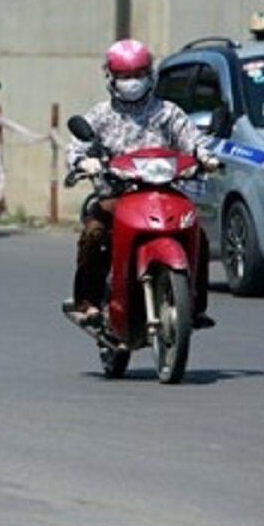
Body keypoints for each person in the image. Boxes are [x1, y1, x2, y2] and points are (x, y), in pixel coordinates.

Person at [67, 39, 219, 329]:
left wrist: (205, 157)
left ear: (150, 75)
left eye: (137, 75)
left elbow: (194, 141)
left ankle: (194, 306)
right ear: (111, 78)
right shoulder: (101, 115)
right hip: (117, 195)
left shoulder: (168, 112)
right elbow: (76, 148)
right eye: (124, 77)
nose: (131, 82)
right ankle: (87, 302)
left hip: (164, 192)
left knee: (197, 235)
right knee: (94, 234)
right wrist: (84, 162)